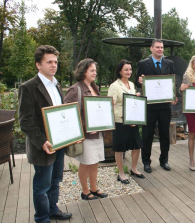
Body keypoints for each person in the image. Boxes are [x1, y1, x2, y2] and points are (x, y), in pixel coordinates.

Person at [18, 45, 72, 223]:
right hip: (43, 146)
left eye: (55, 62)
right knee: (42, 186)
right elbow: (25, 121)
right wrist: (42, 142)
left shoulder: (57, 84)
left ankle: (52, 209)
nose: (54, 65)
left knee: (55, 180)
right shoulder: (28, 87)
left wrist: (71, 133)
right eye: (49, 62)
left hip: (59, 143)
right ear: (38, 65)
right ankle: (41, 218)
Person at [64, 58, 108, 200]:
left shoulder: (94, 88)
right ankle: (85, 191)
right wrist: (85, 127)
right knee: (86, 162)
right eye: (92, 70)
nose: (95, 72)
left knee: (95, 161)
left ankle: (94, 188)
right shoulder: (75, 89)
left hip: (97, 133)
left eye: (95, 70)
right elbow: (69, 114)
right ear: (83, 72)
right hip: (86, 135)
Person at [135, 39, 177, 173]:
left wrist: (173, 96)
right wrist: (139, 80)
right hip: (149, 106)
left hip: (165, 106)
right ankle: (146, 162)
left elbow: (172, 83)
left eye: (162, 47)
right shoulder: (143, 64)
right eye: (158, 47)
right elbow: (137, 82)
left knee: (165, 134)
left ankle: (164, 160)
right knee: (147, 135)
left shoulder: (169, 63)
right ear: (151, 49)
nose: (160, 50)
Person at [108, 60, 145, 183]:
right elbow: (111, 106)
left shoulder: (132, 85)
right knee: (119, 148)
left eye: (130, 69)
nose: (129, 72)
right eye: (126, 70)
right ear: (120, 71)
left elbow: (131, 101)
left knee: (137, 145)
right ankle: (121, 173)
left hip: (132, 120)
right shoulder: (114, 86)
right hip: (120, 121)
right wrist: (125, 119)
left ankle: (134, 169)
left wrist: (137, 98)